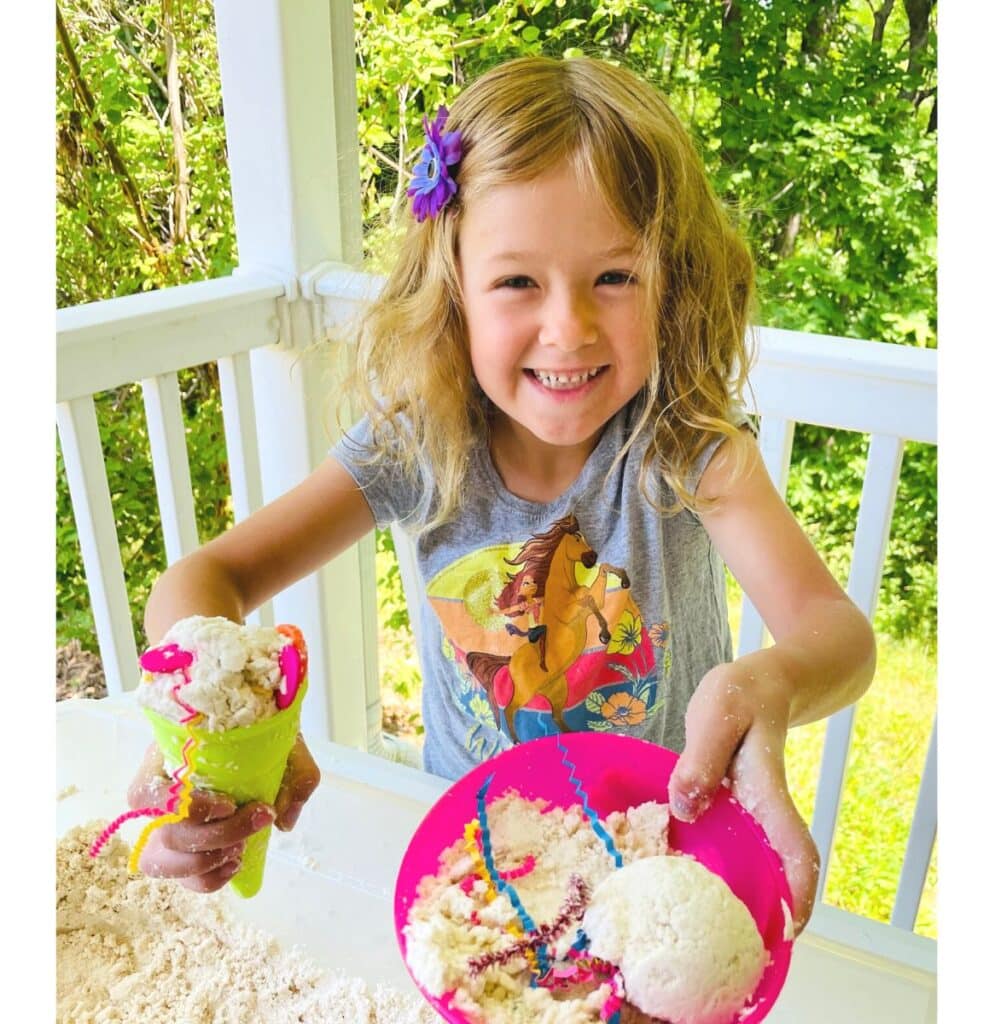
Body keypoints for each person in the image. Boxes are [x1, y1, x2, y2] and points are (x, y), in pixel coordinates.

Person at [129, 55, 875, 931]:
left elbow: (841, 637)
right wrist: (222, 720)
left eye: (615, 276)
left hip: (658, 861)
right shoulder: (419, 442)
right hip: (478, 859)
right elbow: (205, 579)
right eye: (518, 281)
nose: (569, 327)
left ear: (672, 284)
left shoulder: (689, 450)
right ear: (455, 294)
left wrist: (770, 682)